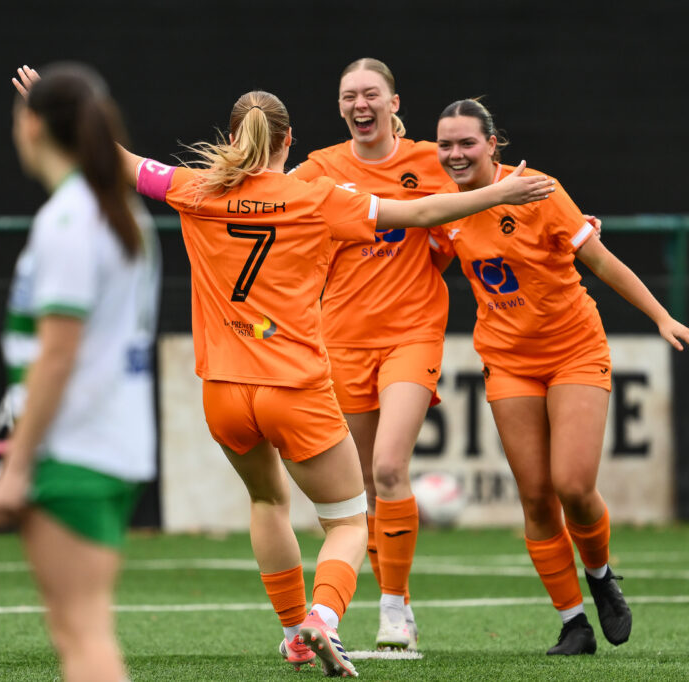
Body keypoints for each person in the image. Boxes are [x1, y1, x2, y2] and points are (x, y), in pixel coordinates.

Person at [12, 66, 554, 677]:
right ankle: (323, 618)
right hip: (294, 388)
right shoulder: (316, 196)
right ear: (289, 139)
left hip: (223, 390)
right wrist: (499, 192)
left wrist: (58, 111)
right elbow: (425, 212)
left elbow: (121, 162)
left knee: (267, 500)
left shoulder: (195, 189)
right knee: (348, 521)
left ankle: (294, 631)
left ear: (232, 136)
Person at [432, 99, 689, 656]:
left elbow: (600, 261)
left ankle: (601, 577)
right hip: (508, 360)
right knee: (536, 498)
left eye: (467, 143)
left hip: (573, 350)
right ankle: (572, 623)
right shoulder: (442, 207)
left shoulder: (539, 190)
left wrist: (662, 316)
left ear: (492, 144)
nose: (456, 154)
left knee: (573, 486)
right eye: (445, 144)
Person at [0, 63, 161, 682]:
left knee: (82, 634)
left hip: (74, 450)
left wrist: (17, 465)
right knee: (78, 630)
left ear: (32, 125)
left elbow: (57, 355)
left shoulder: (69, 219)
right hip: (108, 443)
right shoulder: (114, 212)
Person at [288, 57, 453, 650]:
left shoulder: (432, 160)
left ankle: (392, 608)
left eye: (371, 94)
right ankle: (396, 601)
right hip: (342, 337)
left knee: (388, 467)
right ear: (340, 107)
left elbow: (493, 185)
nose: (360, 104)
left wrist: (572, 224)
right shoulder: (319, 168)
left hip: (413, 332)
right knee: (360, 482)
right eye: (349, 96)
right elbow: (263, 192)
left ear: (394, 103)